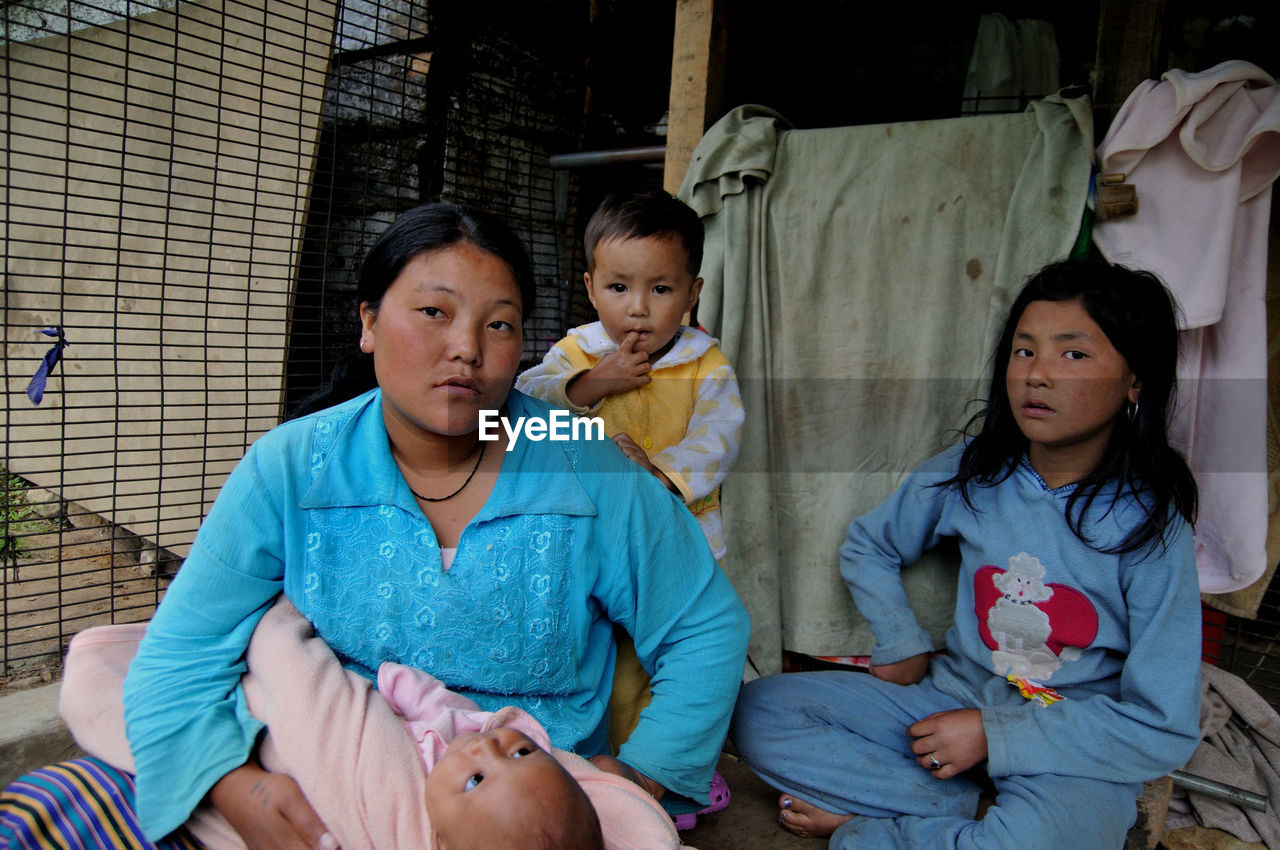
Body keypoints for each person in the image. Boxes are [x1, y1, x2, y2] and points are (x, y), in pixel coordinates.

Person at [1, 202, 750, 850]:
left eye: (500, 325)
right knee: (50, 813)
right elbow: (183, 654)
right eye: (433, 313)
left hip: (509, 809)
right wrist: (237, 790)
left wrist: (646, 768)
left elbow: (703, 623)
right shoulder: (292, 466)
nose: (466, 348)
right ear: (368, 322)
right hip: (312, 769)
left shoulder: (584, 466)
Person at [730, 259, 1202, 849]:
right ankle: (965, 814)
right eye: (1024, 351)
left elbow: (1164, 727)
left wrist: (996, 736)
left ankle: (877, 830)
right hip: (945, 704)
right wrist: (900, 640)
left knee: (1047, 839)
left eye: (1073, 355)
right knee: (757, 713)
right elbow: (871, 543)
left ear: (1136, 381)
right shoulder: (973, 472)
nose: (1038, 375)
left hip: (1067, 742)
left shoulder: (1151, 527)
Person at [516, 190, 744, 821]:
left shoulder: (706, 363)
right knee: (607, 661)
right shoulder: (576, 352)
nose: (637, 309)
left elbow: (719, 437)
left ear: (692, 292)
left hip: (681, 539)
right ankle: (607, 771)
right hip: (589, 542)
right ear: (591, 288)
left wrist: (660, 476)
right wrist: (592, 385)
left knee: (677, 656)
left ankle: (675, 777)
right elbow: (523, 405)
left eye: (661, 290)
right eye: (619, 287)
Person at [377, 661, 603, 850]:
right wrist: (397, 681)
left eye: (476, 779)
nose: (486, 746)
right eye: (520, 753)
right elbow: (433, 701)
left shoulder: (401, 794)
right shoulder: (466, 729)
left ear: (439, 839)